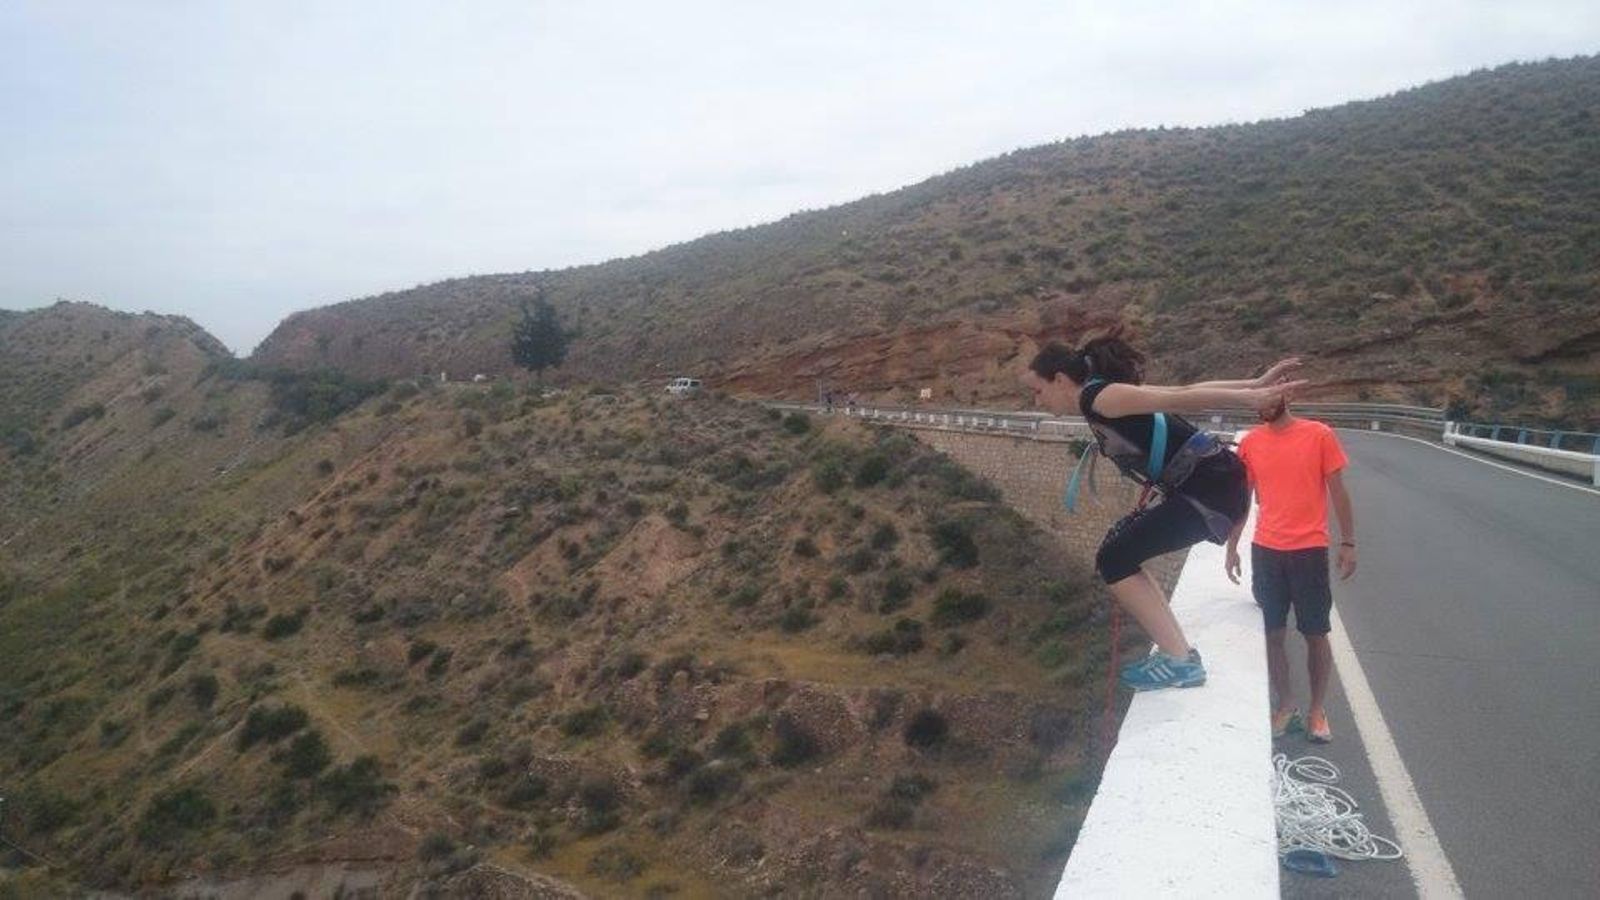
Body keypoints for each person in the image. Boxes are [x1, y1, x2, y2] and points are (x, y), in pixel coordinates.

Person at [1022, 334, 1304, 691]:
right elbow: (1184, 388)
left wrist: (1250, 398)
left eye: (1038, 390)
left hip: (1210, 490)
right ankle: (1179, 653)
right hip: (1211, 484)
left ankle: (1179, 661)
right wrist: (1254, 384)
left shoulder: (1098, 396)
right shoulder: (1102, 393)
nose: (1037, 399)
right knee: (1120, 554)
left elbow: (1180, 397)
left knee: (1114, 558)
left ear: (1060, 379)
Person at [1226, 391, 1356, 743]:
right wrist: (1232, 545)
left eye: (1269, 398)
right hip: (1266, 550)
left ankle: (1316, 710)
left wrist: (1348, 543)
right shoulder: (1251, 443)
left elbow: (1339, 492)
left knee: (1315, 634)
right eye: (1256, 401)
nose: (1262, 406)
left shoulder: (1319, 435)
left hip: (1309, 551)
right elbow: (1242, 499)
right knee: (1272, 634)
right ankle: (1285, 706)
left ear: (1287, 395)